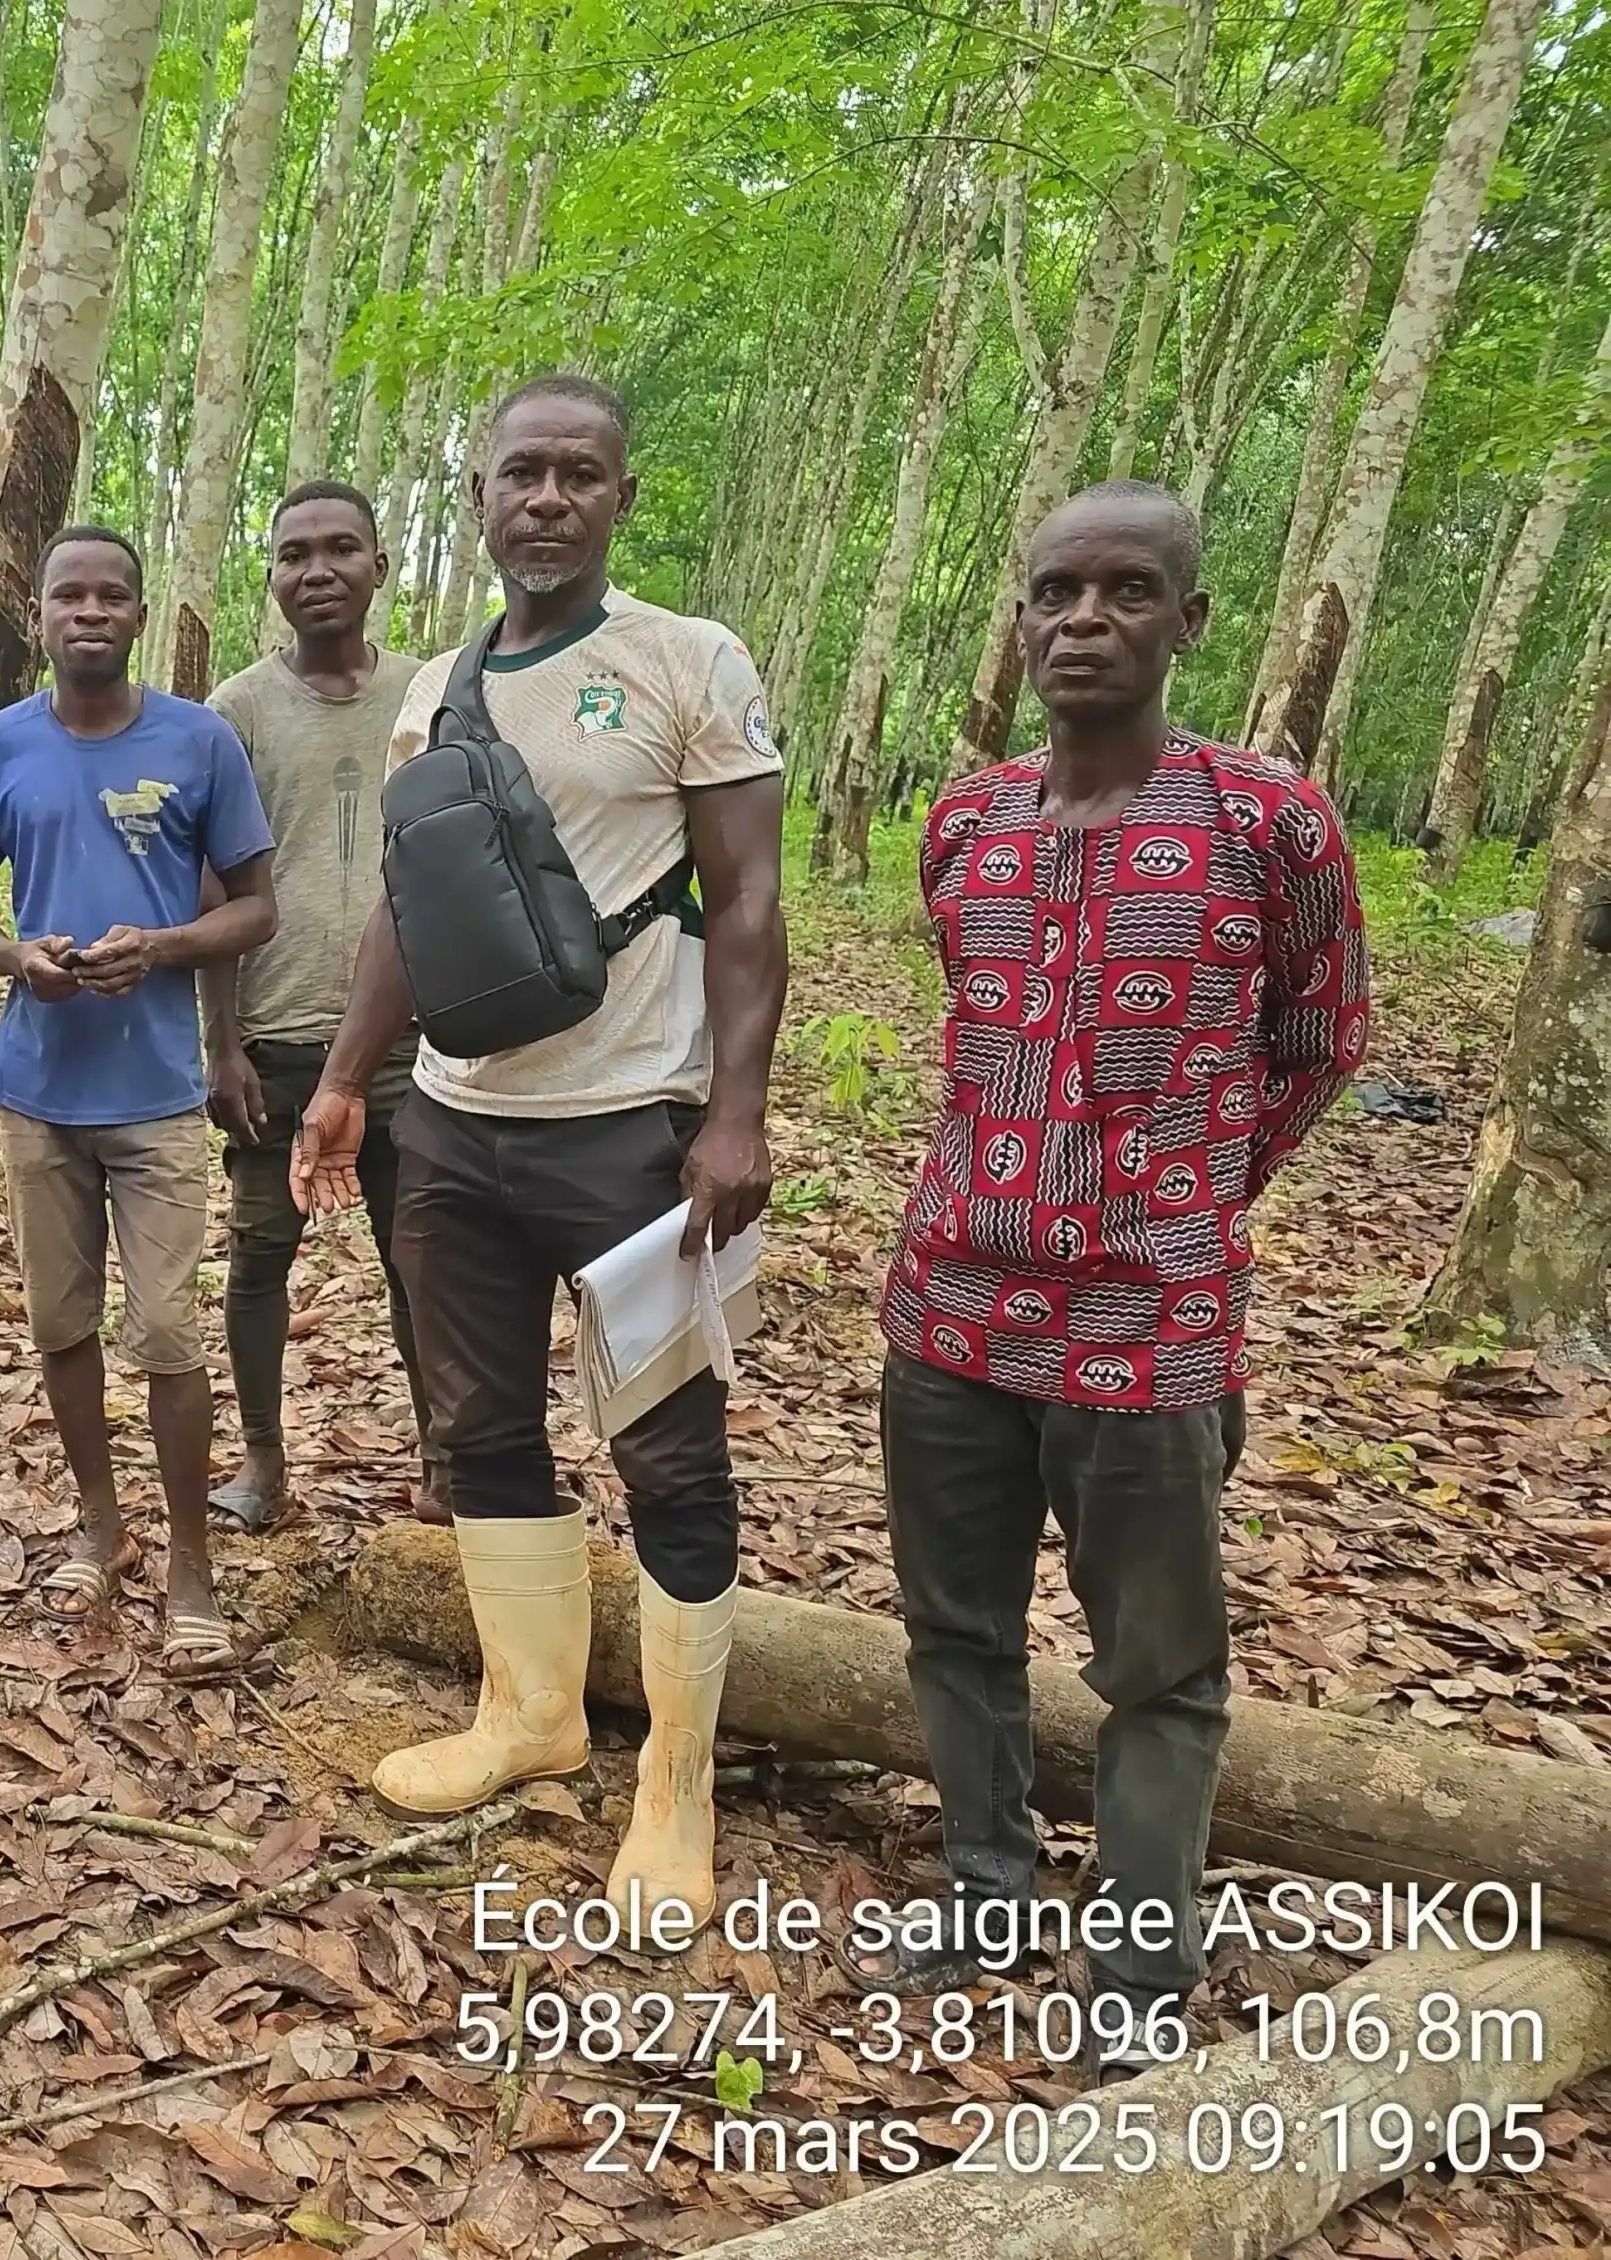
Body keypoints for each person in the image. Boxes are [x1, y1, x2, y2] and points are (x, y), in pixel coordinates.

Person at [871, 480, 1368, 2076]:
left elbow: (1319, 1039)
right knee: (956, 1626)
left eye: (1126, 592)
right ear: (1019, 619)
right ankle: (986, 1886)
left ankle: (1141, 1958)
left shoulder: (1263, 824)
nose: (1084, 620)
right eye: (1056, 593)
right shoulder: (970, 824)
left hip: (1149, 1328)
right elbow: (976, 1021)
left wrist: (1187, 1192)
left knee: (1158, 1667)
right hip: (949, 1303)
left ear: (1188, 619)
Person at [294, 375, 787, 1933]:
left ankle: (678, 1782)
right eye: (522, 474)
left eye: (580, 475)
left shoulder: (685, 663)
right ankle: (530, 1714)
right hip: (454, 1126)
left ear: (620, 497)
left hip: (630, 1128)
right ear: (482, 499)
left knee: (666, 1455)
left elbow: (750, 904)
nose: (549, 498)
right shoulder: (437, 684)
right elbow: (404, 904)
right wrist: (349, 1078)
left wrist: (735, 1113)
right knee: (480, 1429)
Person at [0, 526, 277, 1671]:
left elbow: (254, 907)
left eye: (111, 594)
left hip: (157, 1093)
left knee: (170, 1330)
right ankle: (100, 1521)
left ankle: (190, 1557)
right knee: (58, 1323)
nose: (89, 610)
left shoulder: (199, 741)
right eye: (67, 594)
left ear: (139, 614)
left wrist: (168, 943)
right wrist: (16, 958)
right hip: (39, 1090)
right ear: (35, 615)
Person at [199, 483, 434, 1532]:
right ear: (272, 575)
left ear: (380, 566)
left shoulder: (430, 696)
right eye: (294, 554)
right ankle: (260, 1461)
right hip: (280, 1033)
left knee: (423, 1256)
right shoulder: (237, 712)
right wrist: (221, 1042)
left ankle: (444, 1455)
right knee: (258, 1255)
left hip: (414, 1041)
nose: (318, 571)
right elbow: (212, 885)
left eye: (341, 549)